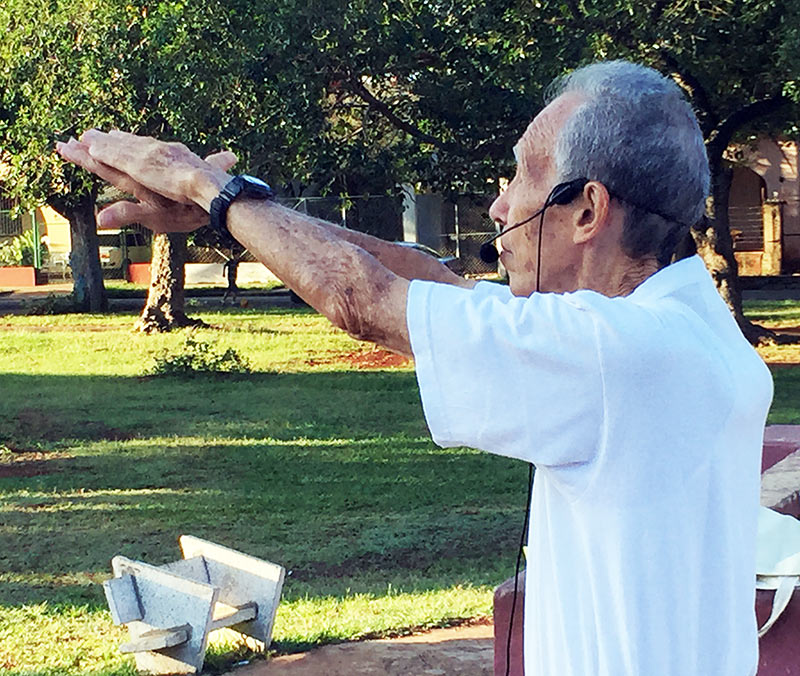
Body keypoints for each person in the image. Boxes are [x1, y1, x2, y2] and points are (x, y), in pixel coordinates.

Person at [57, 60, 772, 676]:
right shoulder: (681, 329)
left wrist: (202, 186)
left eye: (523, 174)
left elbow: (358, 296)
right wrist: (238, 208)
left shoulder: (611, 356)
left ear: (586, 210)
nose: (499, 205)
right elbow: (426, 279)